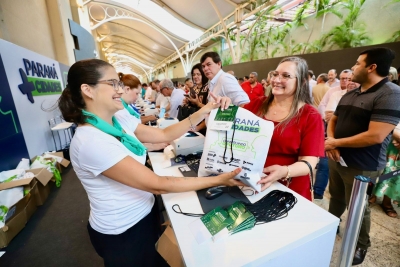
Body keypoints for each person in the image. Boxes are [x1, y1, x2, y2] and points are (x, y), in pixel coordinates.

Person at [58, 59, 243, 266]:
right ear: (87, 90)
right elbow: (159, 184)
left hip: (144, 214)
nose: (120, 90)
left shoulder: (118, 119)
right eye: (113, 84)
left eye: (119, 84)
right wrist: (219, 180)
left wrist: (205, 110)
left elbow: (163, 133)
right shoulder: (90, 141)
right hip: (123, 232)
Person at [324, 48, 400, 265]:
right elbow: (333, 120)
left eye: (358, 63)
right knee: (336, 197)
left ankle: (361, 245)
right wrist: (331, 143)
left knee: (358, 207)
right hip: (337, 158)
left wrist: (335, 142)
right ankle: (332, 224)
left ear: (371, 67)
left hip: (363, 164)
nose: (354, 67)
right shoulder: (352, 93)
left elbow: (376, 135)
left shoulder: (390, 93)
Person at [244, 57, 325, 200]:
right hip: (250, 181)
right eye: (275, 74)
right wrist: (225, 106)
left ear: (302, 81)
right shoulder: (257, 104)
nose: (277, 80)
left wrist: (285, 171)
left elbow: (309, 163)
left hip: (287, 189)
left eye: (286, 76)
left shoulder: (310, 116)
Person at [115, 72, 168, 151]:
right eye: (136, 93)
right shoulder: (119, 111)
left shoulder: (123, 108)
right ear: (127, 89)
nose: (137, 97)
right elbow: (135, 134)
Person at [370, 122, 400, 218]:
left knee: (393, 173)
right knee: (378, 167)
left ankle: (387, 201)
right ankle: (372, 194)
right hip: (387, 136)